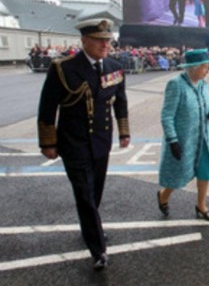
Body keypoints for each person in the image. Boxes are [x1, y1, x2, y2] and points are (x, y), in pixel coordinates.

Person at [37, 18, 130, 270]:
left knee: (96, 190)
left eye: (107, 40)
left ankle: (91, 227)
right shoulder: (63, 68)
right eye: (99, 40)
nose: (105, 45)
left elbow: (120, 100)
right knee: (85, 194)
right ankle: (98, 248)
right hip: (73, 142)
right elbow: (48, 107)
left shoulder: (114, 66)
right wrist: (48, 142)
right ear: (84, 41)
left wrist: (123, 132)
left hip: (102, 140)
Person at [157, 49, 209, 221]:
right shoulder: (176, 84)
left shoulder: (203, 84)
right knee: (178, 174)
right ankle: (163, 196)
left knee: (205, 172)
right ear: (193, 68)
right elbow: (167, 115)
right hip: (184, 140)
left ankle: (201, 206)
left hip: (202, 139)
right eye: (204, 67)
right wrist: (172, 140)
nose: (208, 70)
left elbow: (205, 105)